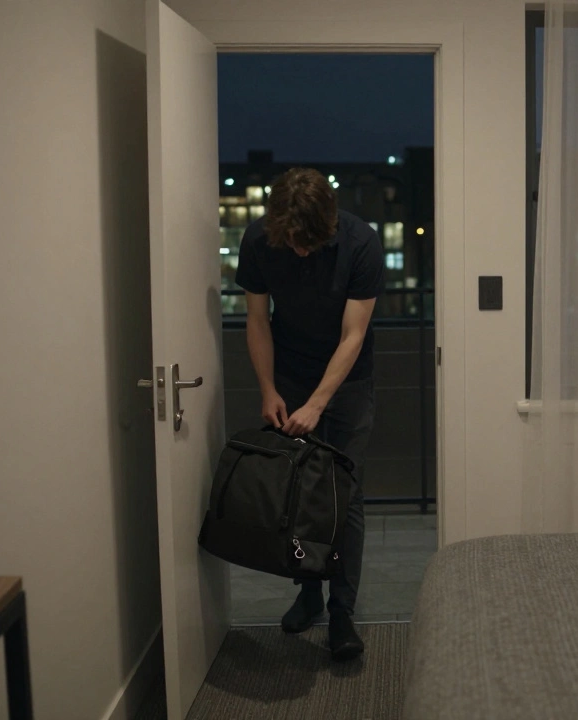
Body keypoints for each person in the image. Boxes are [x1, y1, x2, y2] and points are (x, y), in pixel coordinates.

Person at [235, 167, 383, 662]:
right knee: (296, 494)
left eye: (308, 245)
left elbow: (353, 335)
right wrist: (269, 388)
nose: (299, 252)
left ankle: (342, 611)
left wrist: (319, 403)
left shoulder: (361, 243)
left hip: (348, 381)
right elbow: (257, 319)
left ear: (329, 226)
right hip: (290, 374)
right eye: (292, 244)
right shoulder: (259, 240)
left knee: (345, 494)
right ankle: (308, 595)